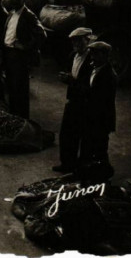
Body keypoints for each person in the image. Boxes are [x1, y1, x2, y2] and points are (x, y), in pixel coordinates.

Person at [1, 0, 47, 119]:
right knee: (11, 87)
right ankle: (13, 116)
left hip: (19, 57)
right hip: (8, 54)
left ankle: (21, 118)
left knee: (19, 88)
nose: (15, 0)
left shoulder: (29, 15)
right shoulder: (11, 13)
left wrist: (25, 46)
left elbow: (41, 35)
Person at [54, 27, 94, 173]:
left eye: (79, 42)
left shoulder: (92, 60)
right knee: (66, 134)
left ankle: (81, 167)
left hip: (86, 103)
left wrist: (71, 81)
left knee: (83, 136)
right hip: (72, 100)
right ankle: (67, 164)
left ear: (87, 41)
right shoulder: (73, 56)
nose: (76, 45)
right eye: (74, 42)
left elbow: (89, 85)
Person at [79, 41, 117, 171]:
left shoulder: (109, 75)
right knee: (87, 144)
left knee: (99, 147)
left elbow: (98, 97)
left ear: (105, 56)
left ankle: (102, 175)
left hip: (101, 119)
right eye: (91, 54)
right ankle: (85, 172)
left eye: (96, 54)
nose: (92, 57)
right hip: (90, 116)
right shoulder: (94, 68)